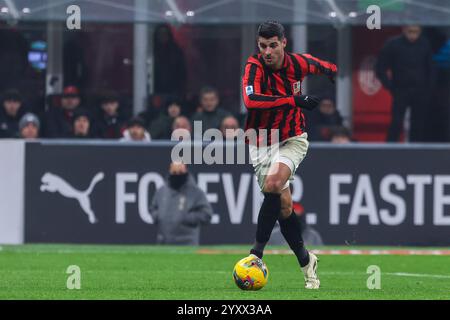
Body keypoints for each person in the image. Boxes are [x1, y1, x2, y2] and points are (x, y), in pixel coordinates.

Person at [241, 21, 337, 289]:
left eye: (273, 45)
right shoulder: (254, 67)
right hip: (261, 141)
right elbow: (251, 101)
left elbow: (324, 66)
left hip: (293, 138)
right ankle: (307, 262)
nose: (267, 51)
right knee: (283, 206)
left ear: (284, 42)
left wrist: (331, 73)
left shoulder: (298, 63)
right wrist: (294, 100)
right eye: (263, 46)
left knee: (273, 184)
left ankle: (255, 254)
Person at [375, 25, 435, 142]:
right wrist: (389, 85)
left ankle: (416, 150)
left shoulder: (424, 44)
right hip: (400, 89)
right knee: (397, 121)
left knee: (418, 122)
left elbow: (431, 67)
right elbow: (380, 67)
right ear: (404, 30)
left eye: (416, 32)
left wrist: (429, 87)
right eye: (410, 32)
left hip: (420, 90)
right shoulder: (393, 44)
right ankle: (390, 149)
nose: (413, 35)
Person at [150, 161, 213, 245]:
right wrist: (160, 216)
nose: (177, 175)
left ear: (186, 170)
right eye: (174, 172)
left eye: (180, 172)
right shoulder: (162, 191)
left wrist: (186, 218)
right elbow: (153, 208)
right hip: (164, 243)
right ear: (170, 171)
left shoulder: (195, 192)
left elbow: (207, 214)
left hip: (187, 243)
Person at [153, 24, 187, 97]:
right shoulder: (151, 50)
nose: (162, 36)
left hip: (174, 90)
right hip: (155, 88)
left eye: (165, 33)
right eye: (160, 34)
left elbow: (182, 72)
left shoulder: (176, 51)